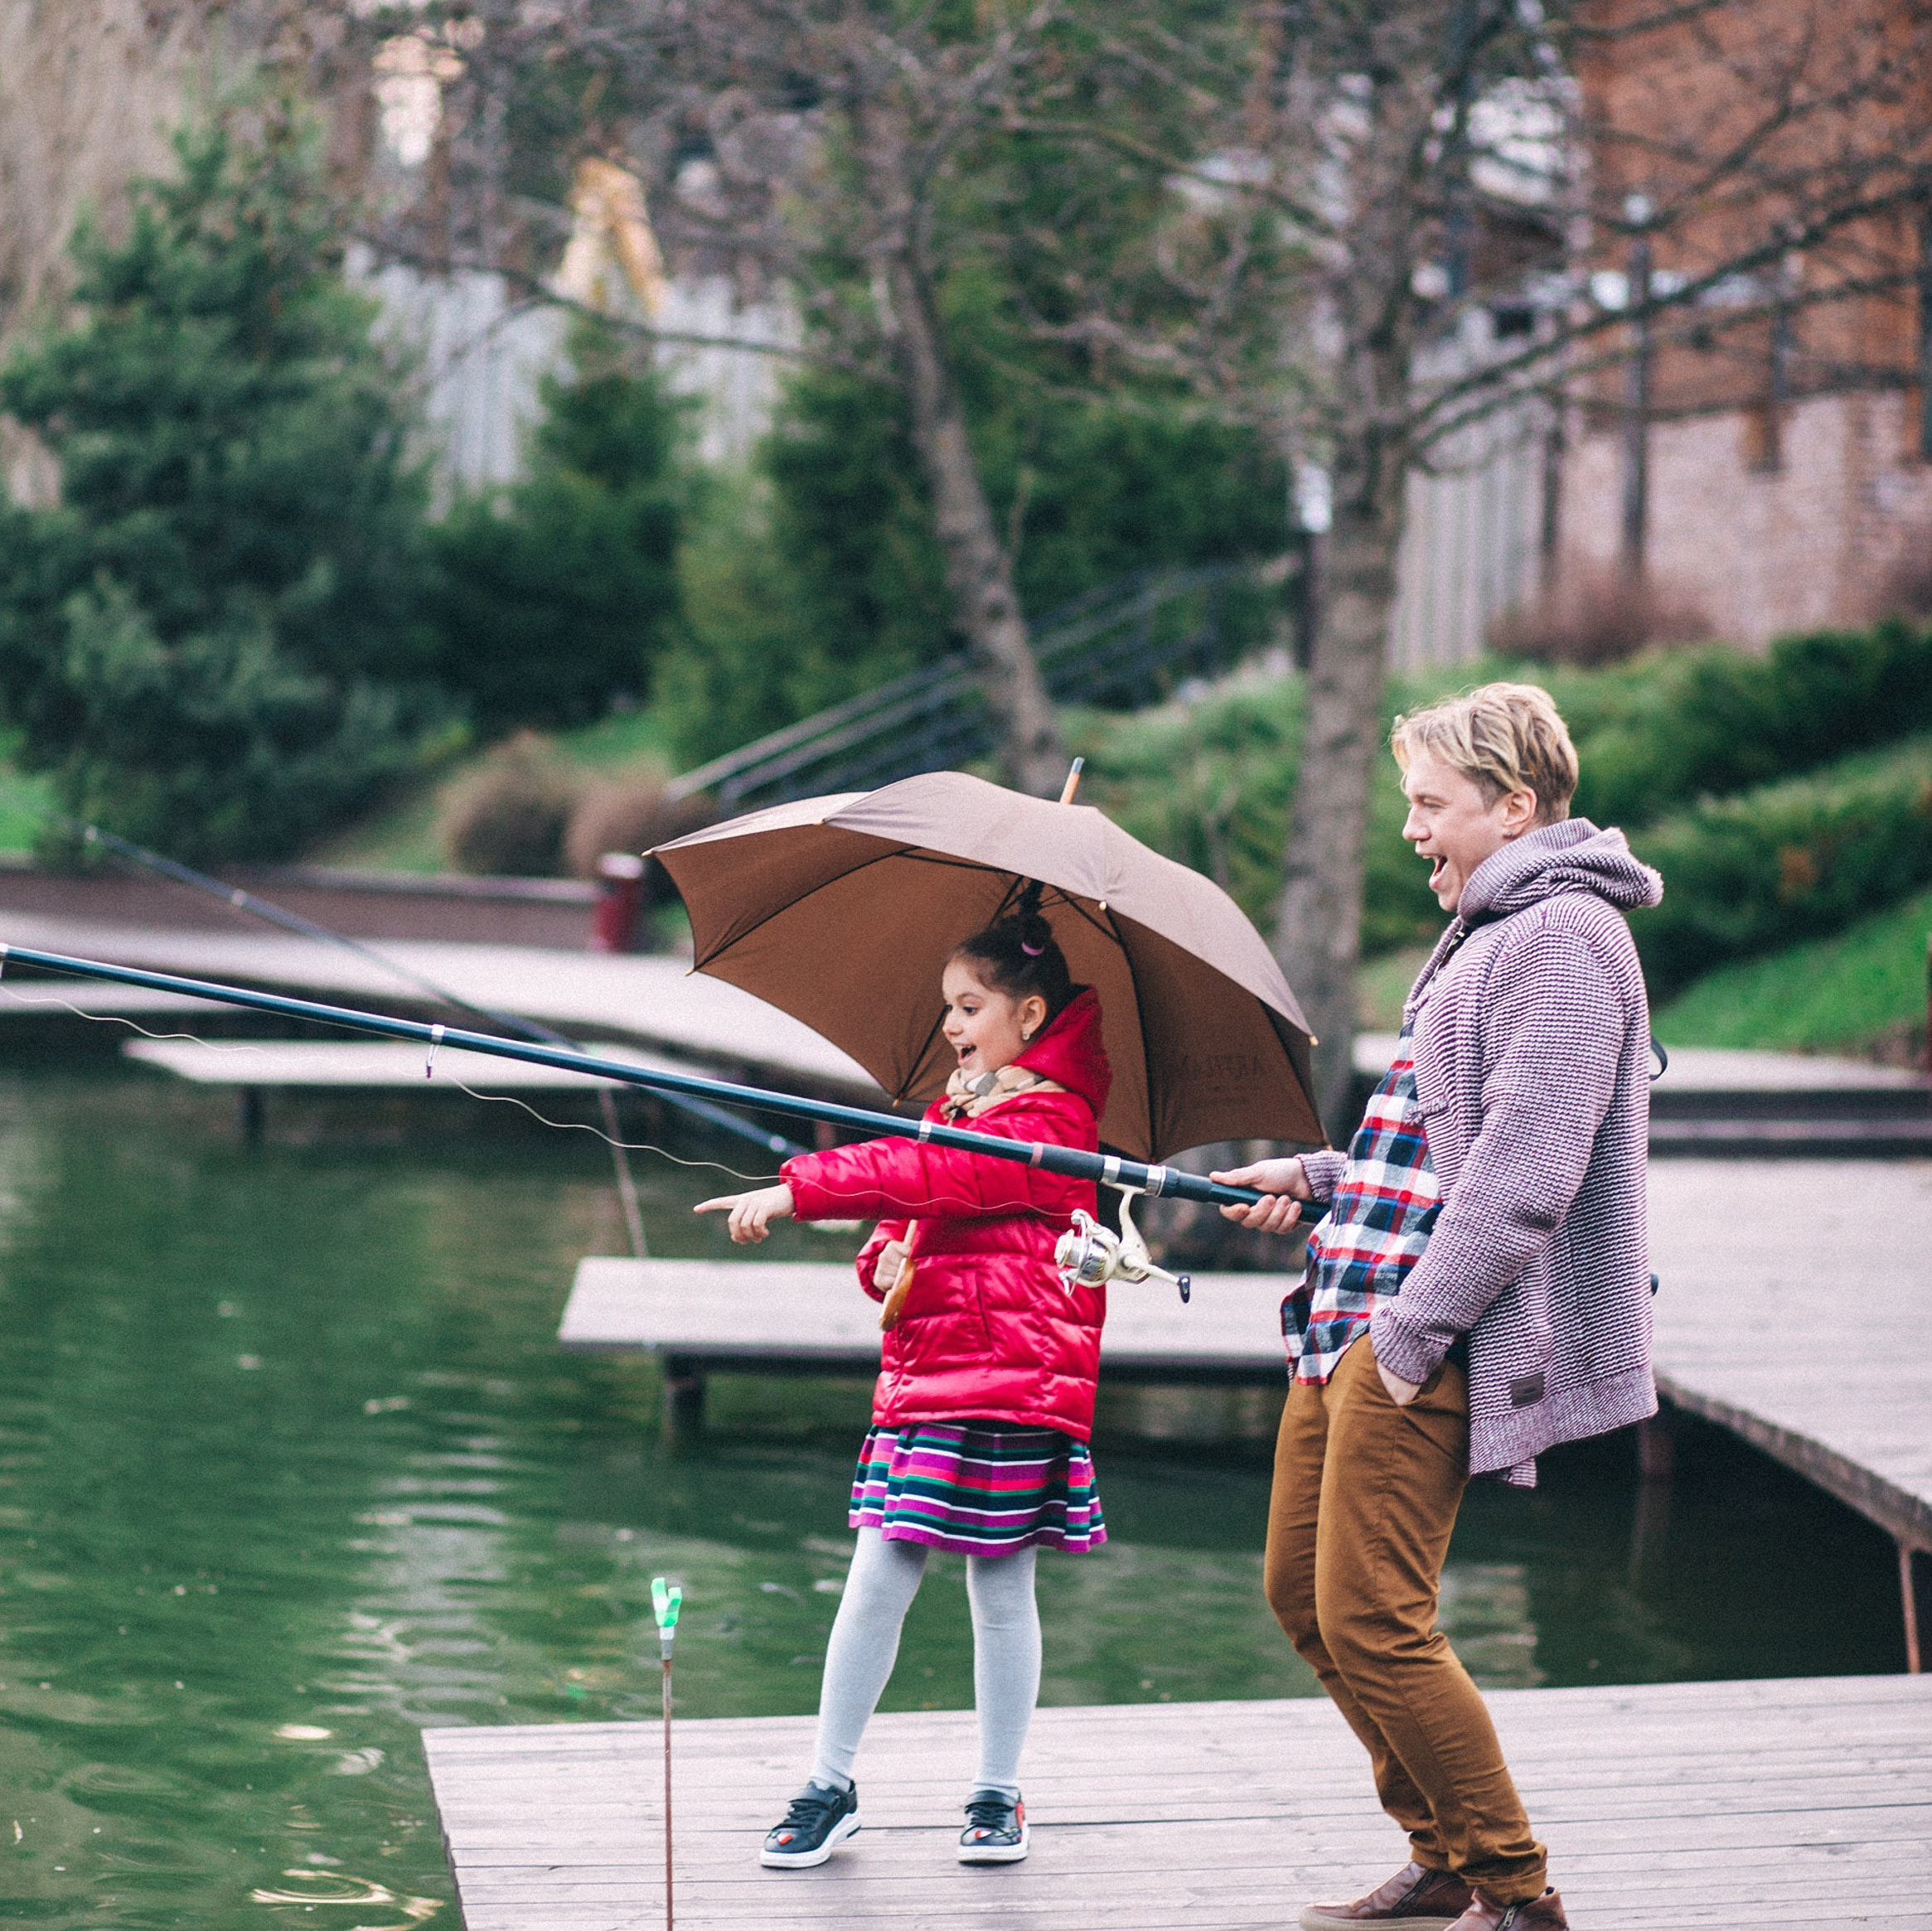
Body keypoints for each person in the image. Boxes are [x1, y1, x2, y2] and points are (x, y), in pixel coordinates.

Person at [1213, 683, 1663, 1931]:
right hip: (1349, 1303)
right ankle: (1444, 1853)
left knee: (1375, 1613)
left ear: (1513, 805)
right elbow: (1428, 1137)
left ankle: (1516, 1891)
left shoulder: (1564, 938)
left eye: (1430, 802)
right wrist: (1309, 1178)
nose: (1411, 826)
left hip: (1426, 1327)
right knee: (1303, 1598)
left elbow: (1524, 1173)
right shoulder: (1483, 927)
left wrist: (1409, 1338)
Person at [695, 896, 1111, 1872]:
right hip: (928, 1374)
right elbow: (914, 1206)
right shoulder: (962, 1105)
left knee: (1001, 1587)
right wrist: (880, 1255)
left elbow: (933, 1174)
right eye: (947, 1007)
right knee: (877, 1575)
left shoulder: (1052, 1117)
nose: (951, 1026)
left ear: (1032, 1018)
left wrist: (796, 1188)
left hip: (1014, 1377)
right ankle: (829, 1782)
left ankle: (997, 1793)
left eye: (969, 1006)